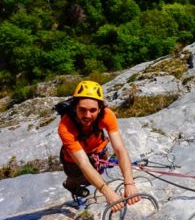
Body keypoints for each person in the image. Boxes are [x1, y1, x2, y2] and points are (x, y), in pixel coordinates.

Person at [58, 80, 140, 212]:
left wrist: (129, 182)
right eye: (82, 110)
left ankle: (75, 181)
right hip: (73, 160)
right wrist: (108, 193)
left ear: (100, 108)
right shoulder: (65, 126)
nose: (87, 115)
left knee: (98, 172)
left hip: (98, 150)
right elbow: (83, 164)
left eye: (93, 110)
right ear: (74, 107)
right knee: (85, 179)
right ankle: (70, 184)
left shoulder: (107, 115)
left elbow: (119, 149)